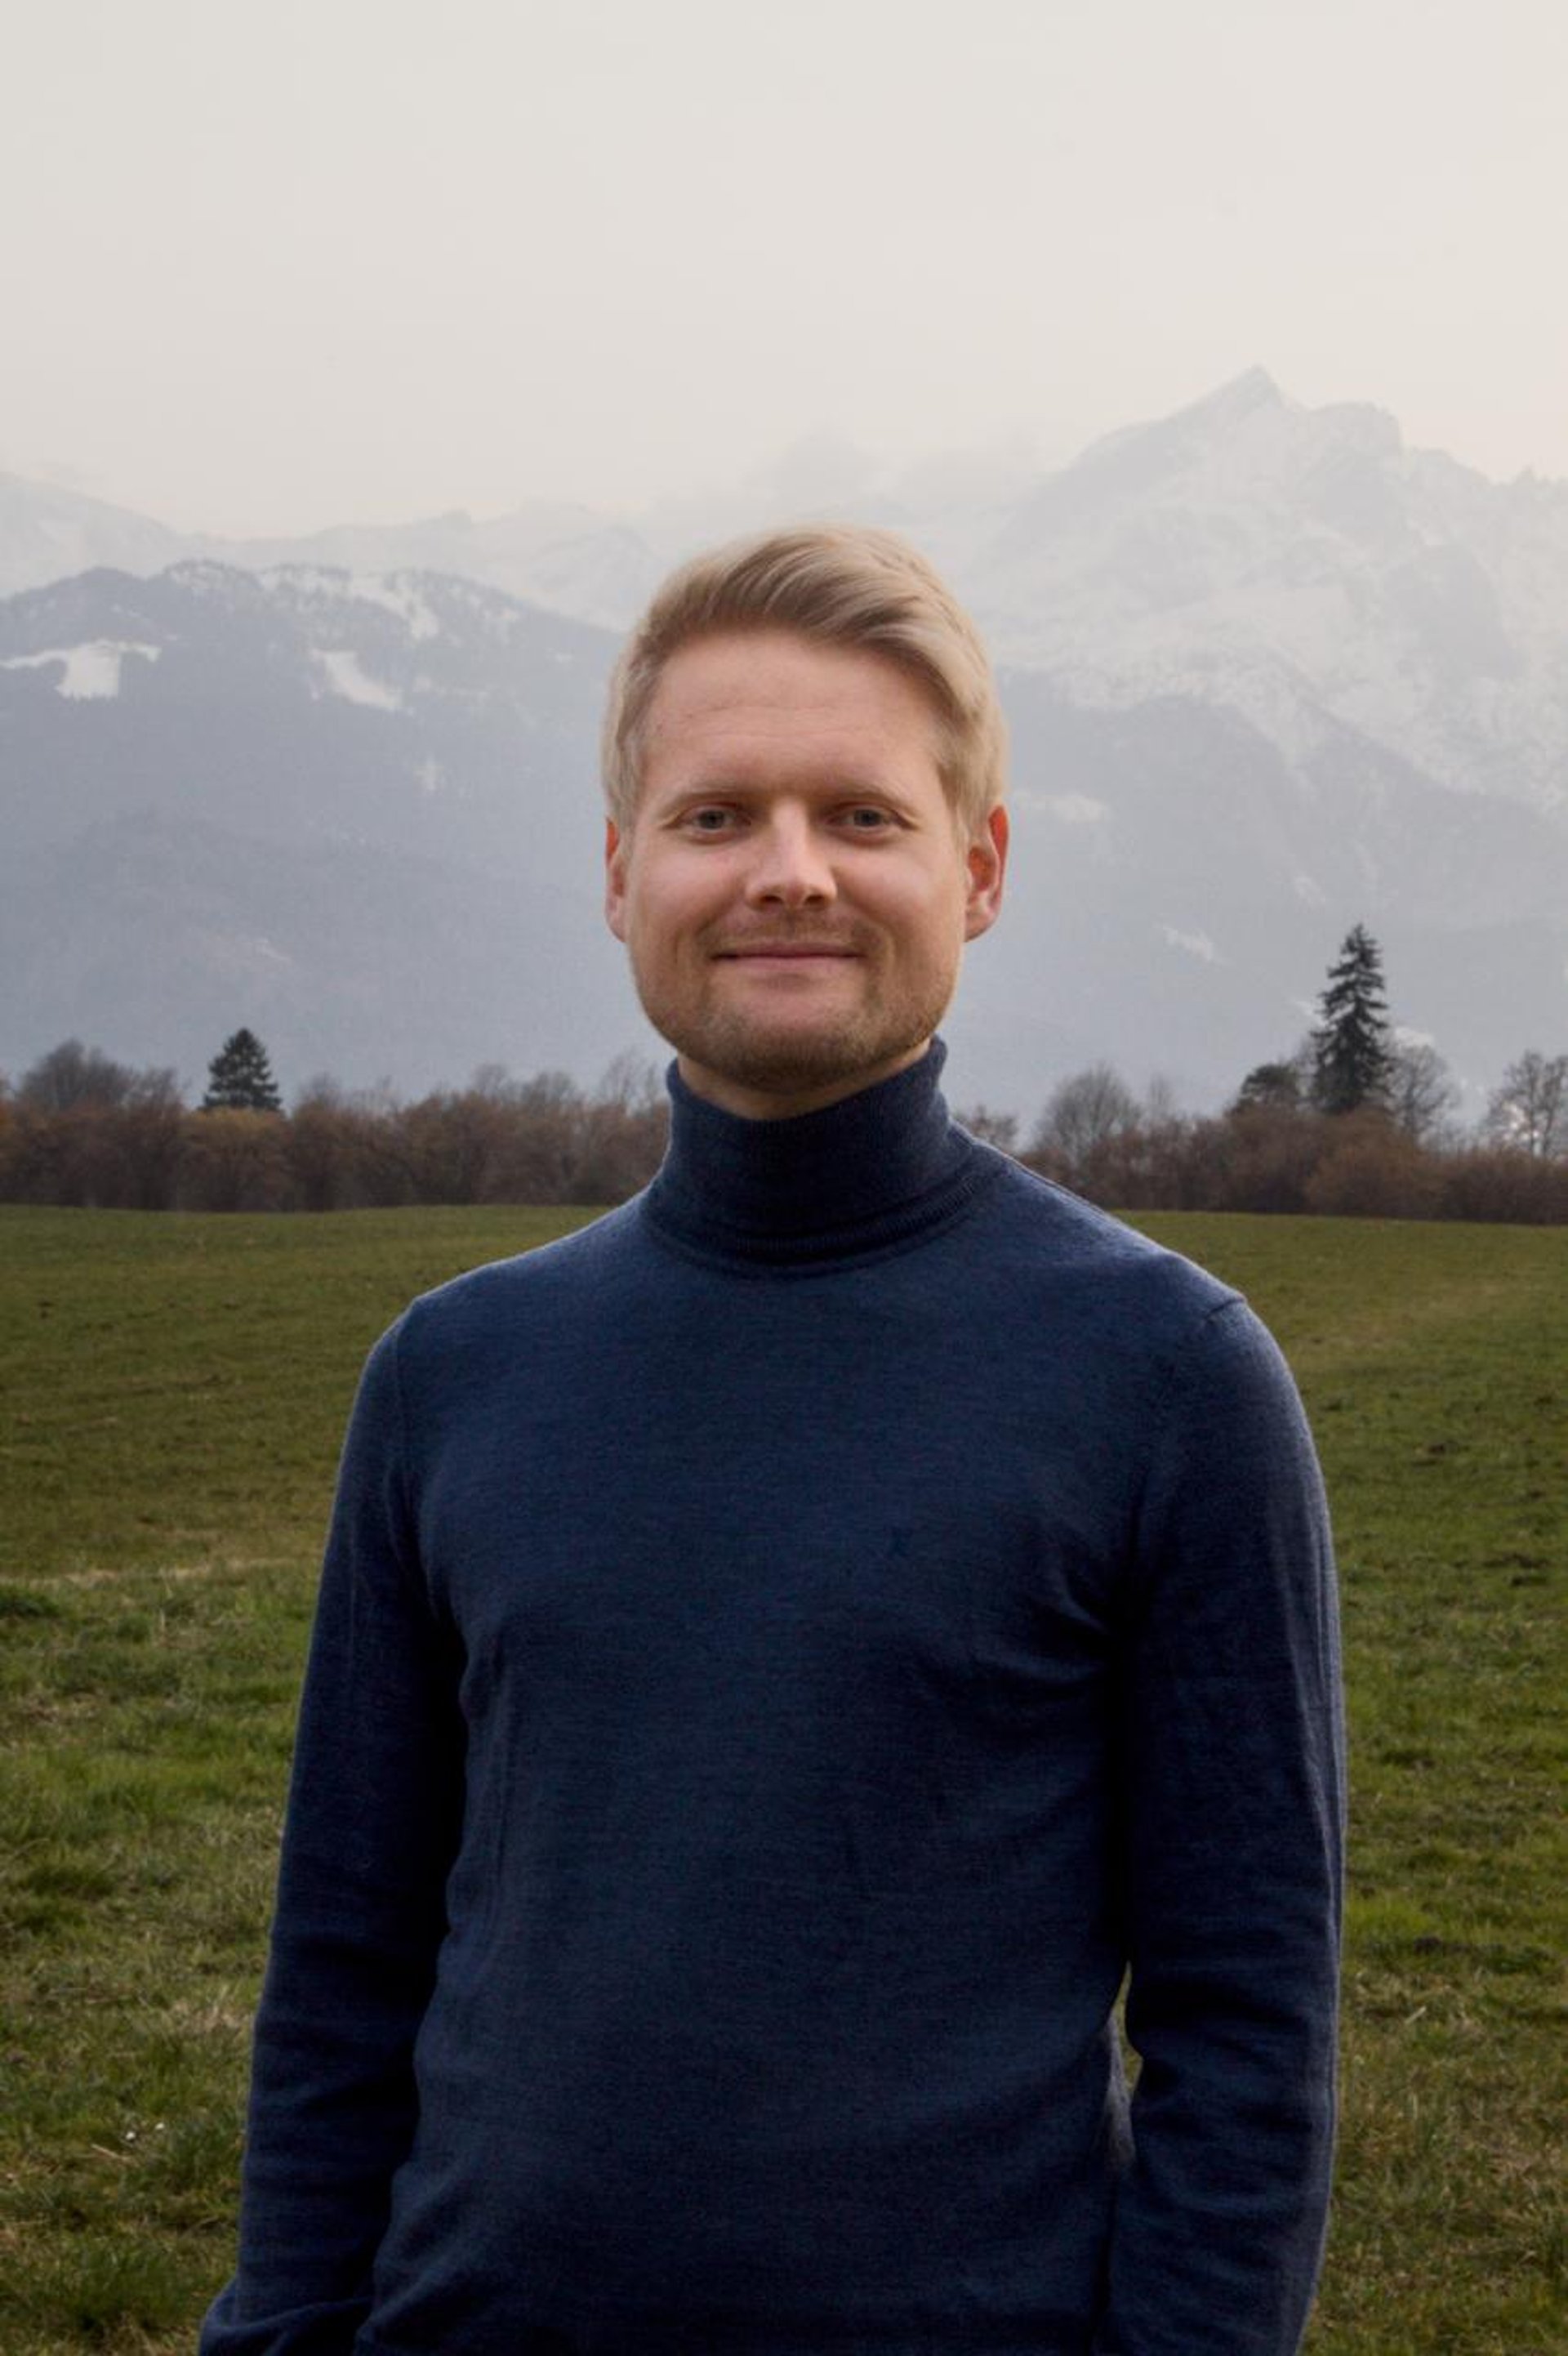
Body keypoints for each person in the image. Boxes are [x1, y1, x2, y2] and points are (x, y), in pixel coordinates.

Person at [202, 524, 1344, 2355]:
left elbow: (1249, 2032)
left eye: (864, 817)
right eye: (718, 815)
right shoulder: (453, 1370)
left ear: (976, 871)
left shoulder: (1171, 1374)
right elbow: (341, 1973)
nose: (787, 872)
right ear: (619, 868)